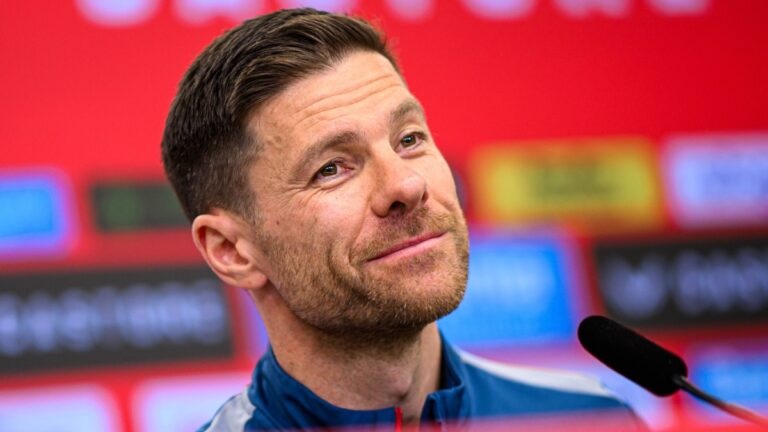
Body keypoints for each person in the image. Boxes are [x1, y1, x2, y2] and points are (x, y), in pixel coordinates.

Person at [162, 8, 645, 431]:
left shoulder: (591, 419)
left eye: (409, 139)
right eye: (331, 168)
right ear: (232, 250)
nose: (406, 185)